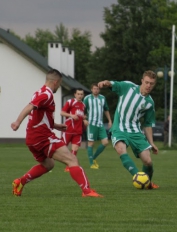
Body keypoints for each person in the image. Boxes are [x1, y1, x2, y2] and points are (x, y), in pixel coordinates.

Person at [11, 69, 103, 198]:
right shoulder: (46, 94)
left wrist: (55, 126)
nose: (59, 86)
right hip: (42, 137)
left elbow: (39, 115)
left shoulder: (39, 92)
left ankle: (20, 182)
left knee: (49, 164)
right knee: (72, 159)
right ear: (56, 82)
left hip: (32, 138)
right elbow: (29, 107)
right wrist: (17, 122)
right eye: (60, 83)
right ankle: (87, 191)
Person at [98, 70, 159, 189]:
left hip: (135, 131)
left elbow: (147, 124)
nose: (148, 86)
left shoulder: (150, 103)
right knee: (121, 149)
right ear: (142, 81)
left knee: (148, 161)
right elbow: (114, 84)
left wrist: (151, 143)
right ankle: (139, 178)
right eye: (146, 82)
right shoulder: (128, 87)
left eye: (151, 83)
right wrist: (106, 83)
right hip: (119, 127)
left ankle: (147, 183)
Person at [83, 83, 112, 169]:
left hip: (100, 124)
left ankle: (94, 158)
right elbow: (82, 110)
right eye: (94, 89)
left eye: (97, 89)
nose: (96, 90)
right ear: (91, 89)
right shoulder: (87, 98)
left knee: (105, 142)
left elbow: (106, 109)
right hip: (91, 124)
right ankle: (92, 164)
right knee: (91, 143)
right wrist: (84, 119)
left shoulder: (102, 98)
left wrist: (110, 120)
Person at [60, 88, 88, 172]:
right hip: (68, 129)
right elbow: (62, 113)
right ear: (75, 94)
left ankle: (69, 166)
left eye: (81, 94)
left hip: (78, 131)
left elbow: (81, 116)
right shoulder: (70, 102)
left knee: (75, 149)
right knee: (61, 149)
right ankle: (49, 161)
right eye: (78, 94)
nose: (80, 96)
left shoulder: (83, 105)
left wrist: (84, 120)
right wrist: (71, 115)